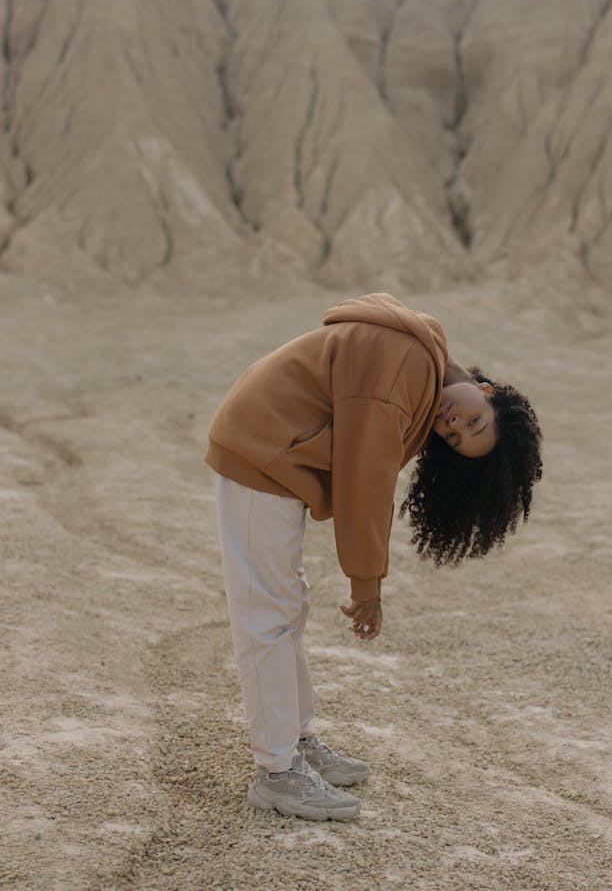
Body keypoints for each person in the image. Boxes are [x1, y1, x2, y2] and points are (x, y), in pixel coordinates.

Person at [205, 293, 542, 821]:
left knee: (288, 606)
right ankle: (277, 775)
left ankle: (296, 741)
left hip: (276, 446)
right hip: (259, 448)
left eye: (453, 437)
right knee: (266, 613)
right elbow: (368, 478)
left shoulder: (427, 362)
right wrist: (367, 586)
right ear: (487, 390)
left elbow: (367, 467)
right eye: (474, 422)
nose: (453, 424)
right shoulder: (407, 365)